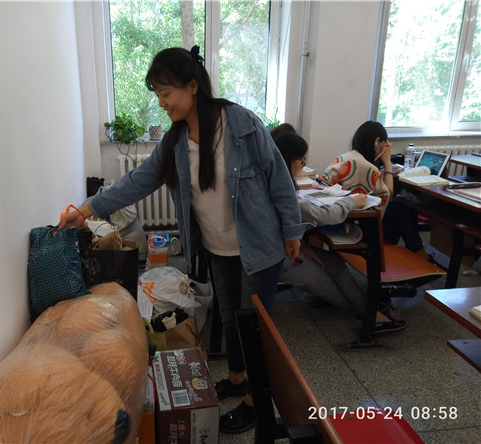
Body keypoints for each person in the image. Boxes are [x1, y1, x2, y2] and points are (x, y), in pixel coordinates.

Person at [58, 46, 308, 434]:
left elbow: (278, 177)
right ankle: (238, 378)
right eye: (157, 94)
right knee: (230, 316)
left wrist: (292, 230)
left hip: (260, 246)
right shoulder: (175, 141)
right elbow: (138, 180)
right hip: (218, 247)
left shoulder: (240, 123)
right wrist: (88, 209)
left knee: (255, 325)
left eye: (166, 92)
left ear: (192, 86)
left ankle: (254, 401)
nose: (162, 102)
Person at [272, 128, 405, 333]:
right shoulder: (280, 189)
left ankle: (368, 311)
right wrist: (351, 202)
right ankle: (369, 315)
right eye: (302, 162)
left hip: (290, 248)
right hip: (282, 258)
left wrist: (306, 248)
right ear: (289, 160)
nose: (302, 166)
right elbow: (320, 215)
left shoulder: (280, 181)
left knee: (336, 263)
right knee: (330, 289)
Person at [320, 121, 427, 258]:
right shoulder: (364, 165)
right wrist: (387, 164)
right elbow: (387, 195)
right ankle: (415, 253)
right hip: (348, 223)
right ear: (377, 141)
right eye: (384, 143)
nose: (386, 147)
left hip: (335, 213)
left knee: (398, 211)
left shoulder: (349, 157)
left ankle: (404, 253)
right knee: (398, 208)